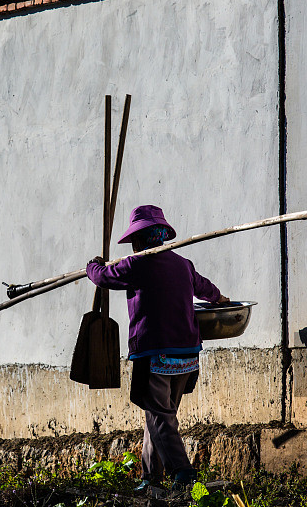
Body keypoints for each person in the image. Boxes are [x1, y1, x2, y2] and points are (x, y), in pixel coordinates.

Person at [86, 204, 229, 494]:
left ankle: (183, 474)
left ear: (139, 240)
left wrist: (93, 265)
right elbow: (205, 288)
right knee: (160, 416)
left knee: (159, 417)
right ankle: (152, 478)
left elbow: (102, 277)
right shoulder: (183, 264)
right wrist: (221, 299)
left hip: (155, 353)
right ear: (161, 237)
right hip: (187, 356)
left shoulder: (136, 265)